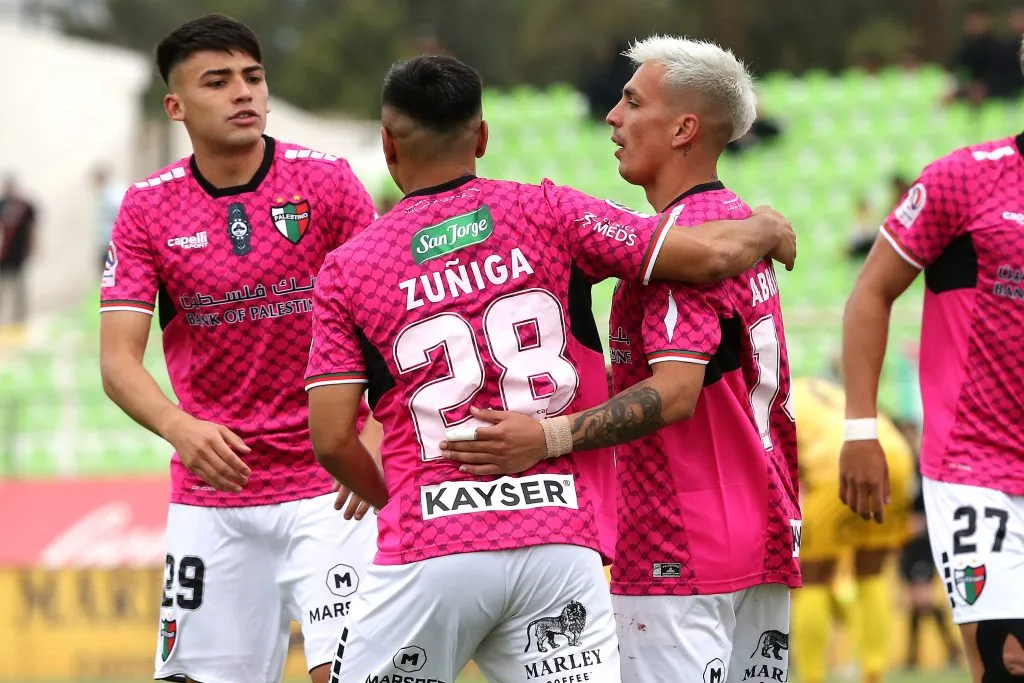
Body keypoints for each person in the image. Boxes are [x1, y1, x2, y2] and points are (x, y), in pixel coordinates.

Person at [305, 54, 797, 683]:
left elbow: (331, 438)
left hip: (431, 543)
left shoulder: (351, 266)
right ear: (482, 136)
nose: (614, 118)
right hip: (558, 537)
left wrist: (395, 495)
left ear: (387, 145)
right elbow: (705, 255)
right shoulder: (546, 213)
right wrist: (765, 228)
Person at [97, 14, 379, 683]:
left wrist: (384, 431)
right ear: (176, 106)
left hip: (332, 488)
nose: (242, 93)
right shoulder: (146, 209)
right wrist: (178, 427)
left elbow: (391, 314)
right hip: (214, 495)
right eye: (217, 81)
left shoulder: (328, 183)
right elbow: (115, 360)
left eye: (252, 77)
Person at [840, 80, 1024, 680]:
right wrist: (862, 428)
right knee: (1008, 657)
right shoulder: (965, 180)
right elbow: (872, 290)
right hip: (977, 465)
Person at [789, 376, 915, 683]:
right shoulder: (821, 386)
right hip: (894, 453)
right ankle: (873, 671)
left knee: (814, 577)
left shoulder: (774, 397)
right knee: (871, 572)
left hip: (837, 462)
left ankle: (812, 677)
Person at [0, 175, 37, 329]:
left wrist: (32, 248)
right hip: (4, 256)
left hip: (18, 255)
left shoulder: (26, 206)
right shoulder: (2, 204)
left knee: (20, 289)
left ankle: (19, 321)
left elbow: (31, 229)